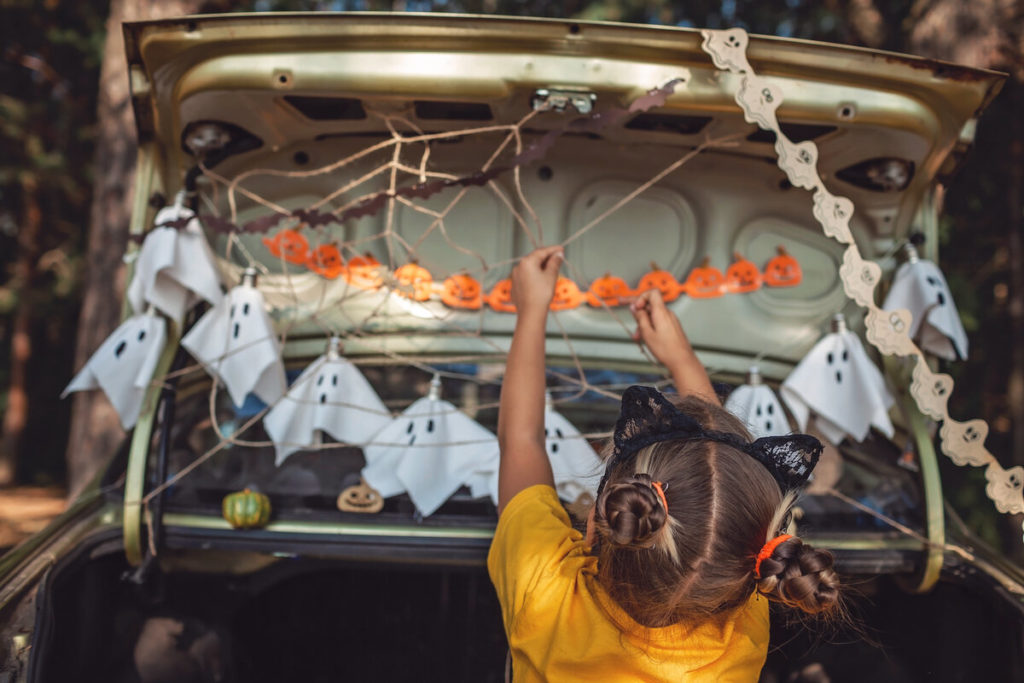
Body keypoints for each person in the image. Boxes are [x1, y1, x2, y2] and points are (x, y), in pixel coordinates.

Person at [489, 246, 841, 682]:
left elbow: (520, 441)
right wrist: (681, 359)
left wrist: (530, 311)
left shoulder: (544, 590)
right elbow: (722, 494)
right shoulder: (743, 635)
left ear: (599, 524)